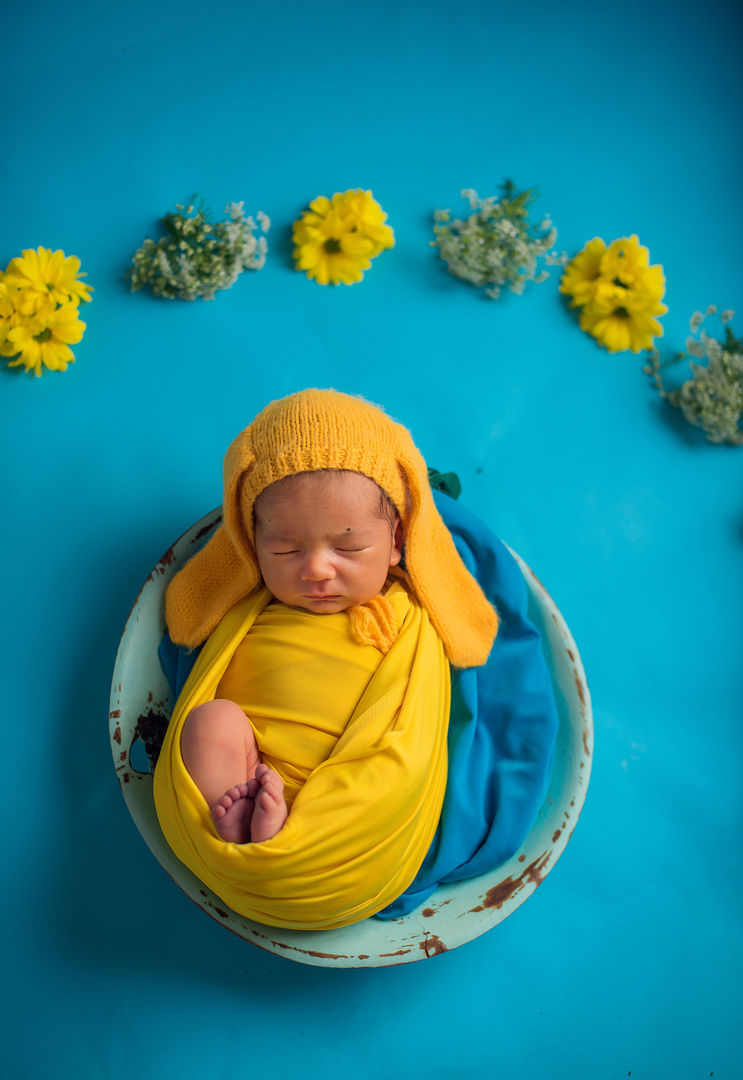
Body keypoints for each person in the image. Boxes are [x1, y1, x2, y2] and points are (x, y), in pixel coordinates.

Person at [153, 388, 499, 930]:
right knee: (208, 721)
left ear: (397, 543)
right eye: (285, 550)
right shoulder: (253, 603)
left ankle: (288, 842)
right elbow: (196, 624)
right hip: (249, 764)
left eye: (349, 548)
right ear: (250, 543)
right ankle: (243, 829)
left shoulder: (406, 614)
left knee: (384, 779)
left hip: (342, 793)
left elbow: (410, 727)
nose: (316, 569)